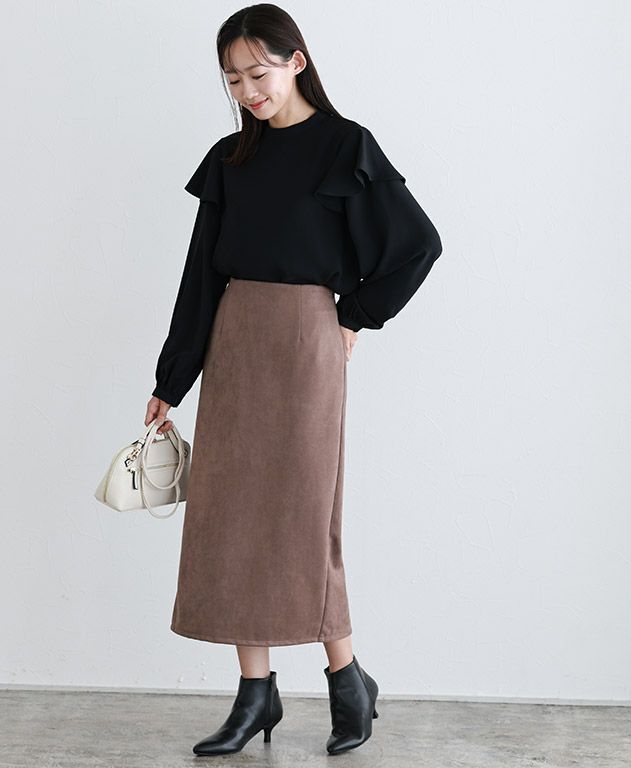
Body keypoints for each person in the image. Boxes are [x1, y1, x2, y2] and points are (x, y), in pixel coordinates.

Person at [144, 3, 442, 757]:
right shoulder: (229, 159)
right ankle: (256, 693)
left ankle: (346, 679)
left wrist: (355, 316)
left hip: (308, 342)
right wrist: (172, 379)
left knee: (305, 517)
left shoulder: (346, 146)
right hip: (235, 339)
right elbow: (199, 278)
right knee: (230, 515)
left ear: (296, 62)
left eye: (258, 73)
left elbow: (418, 244)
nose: (247, 91)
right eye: (232, 80)